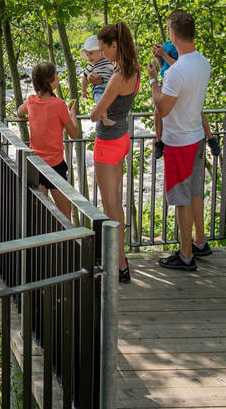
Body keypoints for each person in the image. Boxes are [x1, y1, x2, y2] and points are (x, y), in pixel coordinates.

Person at [148, 10, 212, 271]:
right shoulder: (202, 62)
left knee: (182, 199)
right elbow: (182, 76)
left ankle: (185, 255)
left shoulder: (174, 74)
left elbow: (162, 109)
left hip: (179, 143)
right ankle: (199, 242)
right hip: (196, 136)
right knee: (195, 192)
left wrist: (153, 80)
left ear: (173, 35)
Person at [89, 22, 139, 283]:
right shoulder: (133, 70)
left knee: (110, 206)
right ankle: (118, 258)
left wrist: (93, 108)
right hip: (122, 137)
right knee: (115, 203)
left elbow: (96, 113)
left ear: (114, 45)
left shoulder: (119, 76)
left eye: (103, 47)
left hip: (107, 143)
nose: (101, 52)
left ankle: (119, 264)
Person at [17, 61, 79, 219]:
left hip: (36, 165)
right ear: (51, 82)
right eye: (56, 75)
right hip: (55, 167)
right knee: (65, 215)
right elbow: (74, 133)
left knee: (41, 217)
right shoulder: (59, 104)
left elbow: (19, 112)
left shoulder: (31, 101)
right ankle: (65, 243)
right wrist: (73, 114)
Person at [151, 40, 221, 160]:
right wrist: (159, 57)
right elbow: (165, 66)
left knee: (197, 109)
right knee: (158, 111)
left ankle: (210, 138)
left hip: (180, 82)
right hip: (167, 82)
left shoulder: (181, 48)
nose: (168, 31)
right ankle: (159, 142)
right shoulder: (167, 45)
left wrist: (163, 55)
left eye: (169, 28)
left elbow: (180, 67)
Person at [80, 34, 116, 127]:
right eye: (87, 55)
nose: (89, 57)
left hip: (110, 88)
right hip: (98, 89)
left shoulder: (108, 60)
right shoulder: (91, 66)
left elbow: (115, 69)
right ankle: (105, 119)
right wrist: (84, 90)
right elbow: (84, 77)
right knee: (100, 104)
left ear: (100, 51)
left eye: (91, 53)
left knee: (110, 103)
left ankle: (107, 116)